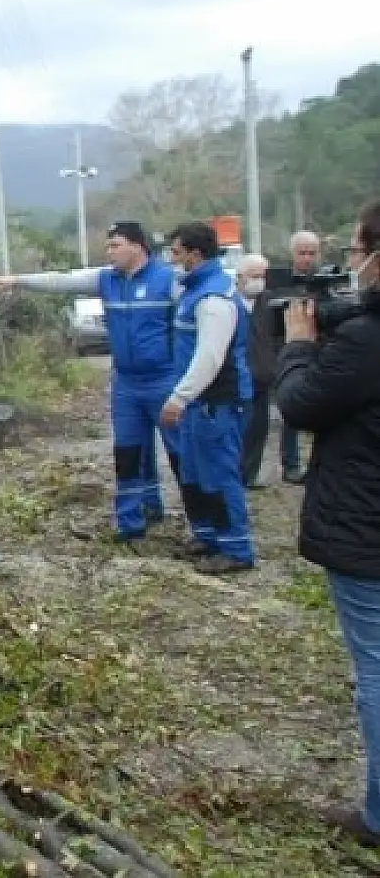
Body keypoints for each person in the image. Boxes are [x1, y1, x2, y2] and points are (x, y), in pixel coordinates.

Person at [274, 200, 380, 845]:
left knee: (376, 671)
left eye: (359, 250)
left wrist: (299, 347)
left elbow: (300, 404)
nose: (353, 264)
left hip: (366, 526)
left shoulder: (366, 339)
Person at [0, 221, 180, 543]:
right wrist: (19, 281)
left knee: (180, 451)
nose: (109, 252)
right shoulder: (107, 279)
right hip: (126, 383)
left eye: (115, 245)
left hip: (164, 379)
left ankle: (204, 525)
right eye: (108, 246)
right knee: (129, 450)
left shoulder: (168, 279)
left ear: (137, 246)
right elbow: (63, 281)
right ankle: (132, 519)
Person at [160, 221, 255, 574]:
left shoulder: (213, 298)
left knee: (219, 473)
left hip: (217, 403)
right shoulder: (195, 290)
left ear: (195, 255)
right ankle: (208, 536)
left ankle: (236, 548)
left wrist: (179, 398)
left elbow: (210, 358)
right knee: (195, 472)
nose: (173, 260)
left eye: (177, 252)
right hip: (201, 404)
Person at [277, 230, 325, 484]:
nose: (307, 258)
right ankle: (290, 464)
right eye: (302, 253)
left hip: (322, 350)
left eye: (311, 253)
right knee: (291, 408)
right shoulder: (280, 281)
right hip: (290, 350)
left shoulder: (327, 280)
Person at [234, 254, 280, 489]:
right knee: (239, 429)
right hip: (238, 377)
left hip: (263, 376)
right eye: (254, 276)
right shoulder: (229, 303)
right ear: (239, 277)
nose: (258, 281)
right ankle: (235, 475)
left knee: (259, 429)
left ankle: (249, 475)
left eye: (262, 276)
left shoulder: (268, 303)